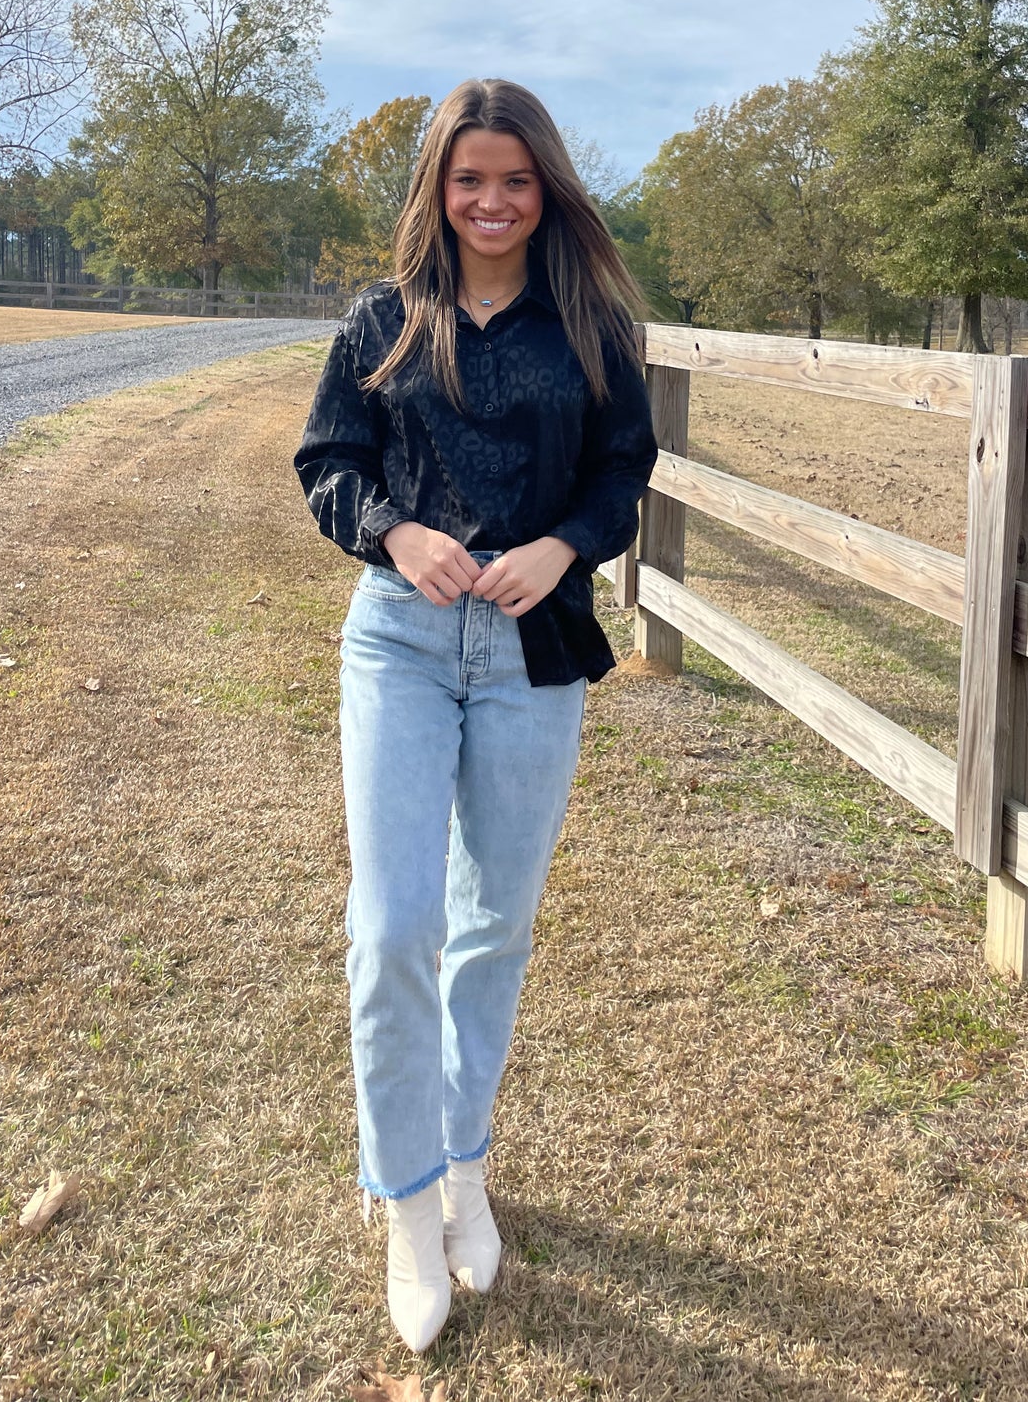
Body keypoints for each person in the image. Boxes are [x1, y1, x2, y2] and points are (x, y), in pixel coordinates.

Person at [294, 78, 658, 1352]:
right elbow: (325, 464)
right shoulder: (382, 321)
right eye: (468, 179)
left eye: (514, 178)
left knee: (489, 926)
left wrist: (564, 547)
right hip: (397, 646)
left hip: (530, 650)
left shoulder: (595, 328)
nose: (491, 201)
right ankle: (402, 1204)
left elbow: (623, 469)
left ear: (543, 186)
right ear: (436, 192)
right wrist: (391, 532)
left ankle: (462, 1165)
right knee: (392, 925)